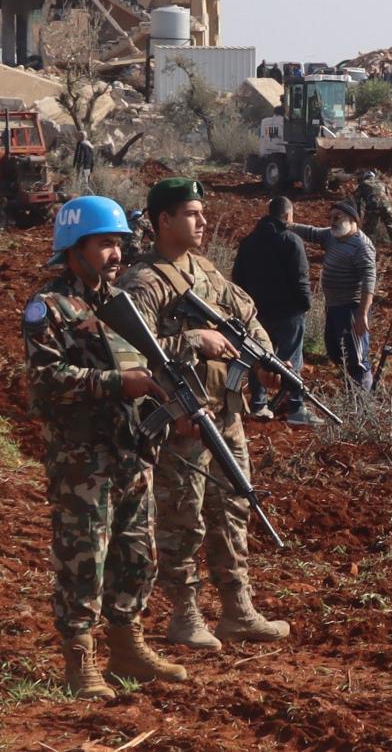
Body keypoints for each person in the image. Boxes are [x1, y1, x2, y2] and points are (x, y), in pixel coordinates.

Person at [25, 196, 186, 699]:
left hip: (130, 451)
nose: (115, 254)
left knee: (137, 554)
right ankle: (80, 659)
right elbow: (44, 381)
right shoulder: (48, 307)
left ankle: (127, 644)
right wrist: (119, 384)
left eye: (119, 243)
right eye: (104, 244)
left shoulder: (122, 304)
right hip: (81, 459)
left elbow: (152, 361)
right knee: (83, 559)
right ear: (74, 248)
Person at [117, 177, 289, 651]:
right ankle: (184, 614)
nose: (203, 221)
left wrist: (264, 360)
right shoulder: (142, 283)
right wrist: (195, 340)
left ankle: (238, 609)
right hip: (179, 422)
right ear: (164, 220)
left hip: (224, 415)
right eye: (192, 213)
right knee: (183, 519)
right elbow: (129, 355)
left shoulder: (206, 271)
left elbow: (247, 316)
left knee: (233, 509)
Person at [232, 196, 317, 426]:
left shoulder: (249, 242)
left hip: (257, 314)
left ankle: (259, 405)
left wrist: (247, 309)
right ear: (288, 216)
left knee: (259, 357)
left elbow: (237, 279)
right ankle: (296, 408)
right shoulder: (291, 241)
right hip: (288, 313)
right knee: (291, 359)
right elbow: (301, 278)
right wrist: (304, 305)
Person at [289, 201, 377, 390]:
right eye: (330, 218)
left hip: (351, 309)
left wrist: (362, 314)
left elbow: (369, 282)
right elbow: (311, 232)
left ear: (352, 220)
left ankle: (362, 402)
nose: (332, 222)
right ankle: (351, 390)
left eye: (337, 217)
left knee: (356, 358)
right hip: (334, 307)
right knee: (336, 352)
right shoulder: (332, 236)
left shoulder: (362, 246)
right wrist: (289, 225)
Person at [354, 171, 392, 256]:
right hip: (386, 206)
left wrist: (358, 214)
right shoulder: (382, 183)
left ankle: (368, 250)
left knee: (370, 229)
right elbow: (389, 198)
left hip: (373, 207)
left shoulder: (363, 184)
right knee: (390, 226)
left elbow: (357, 200)